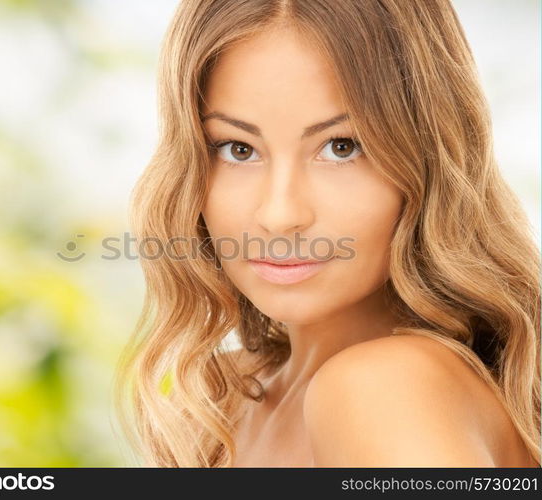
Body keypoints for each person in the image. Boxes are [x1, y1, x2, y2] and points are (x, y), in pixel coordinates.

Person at [114, 0, 541, 467]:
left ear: (428, 161)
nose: (279, 215)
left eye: (342, 148)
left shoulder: (385, 388)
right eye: (238, 149)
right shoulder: (219, 402)